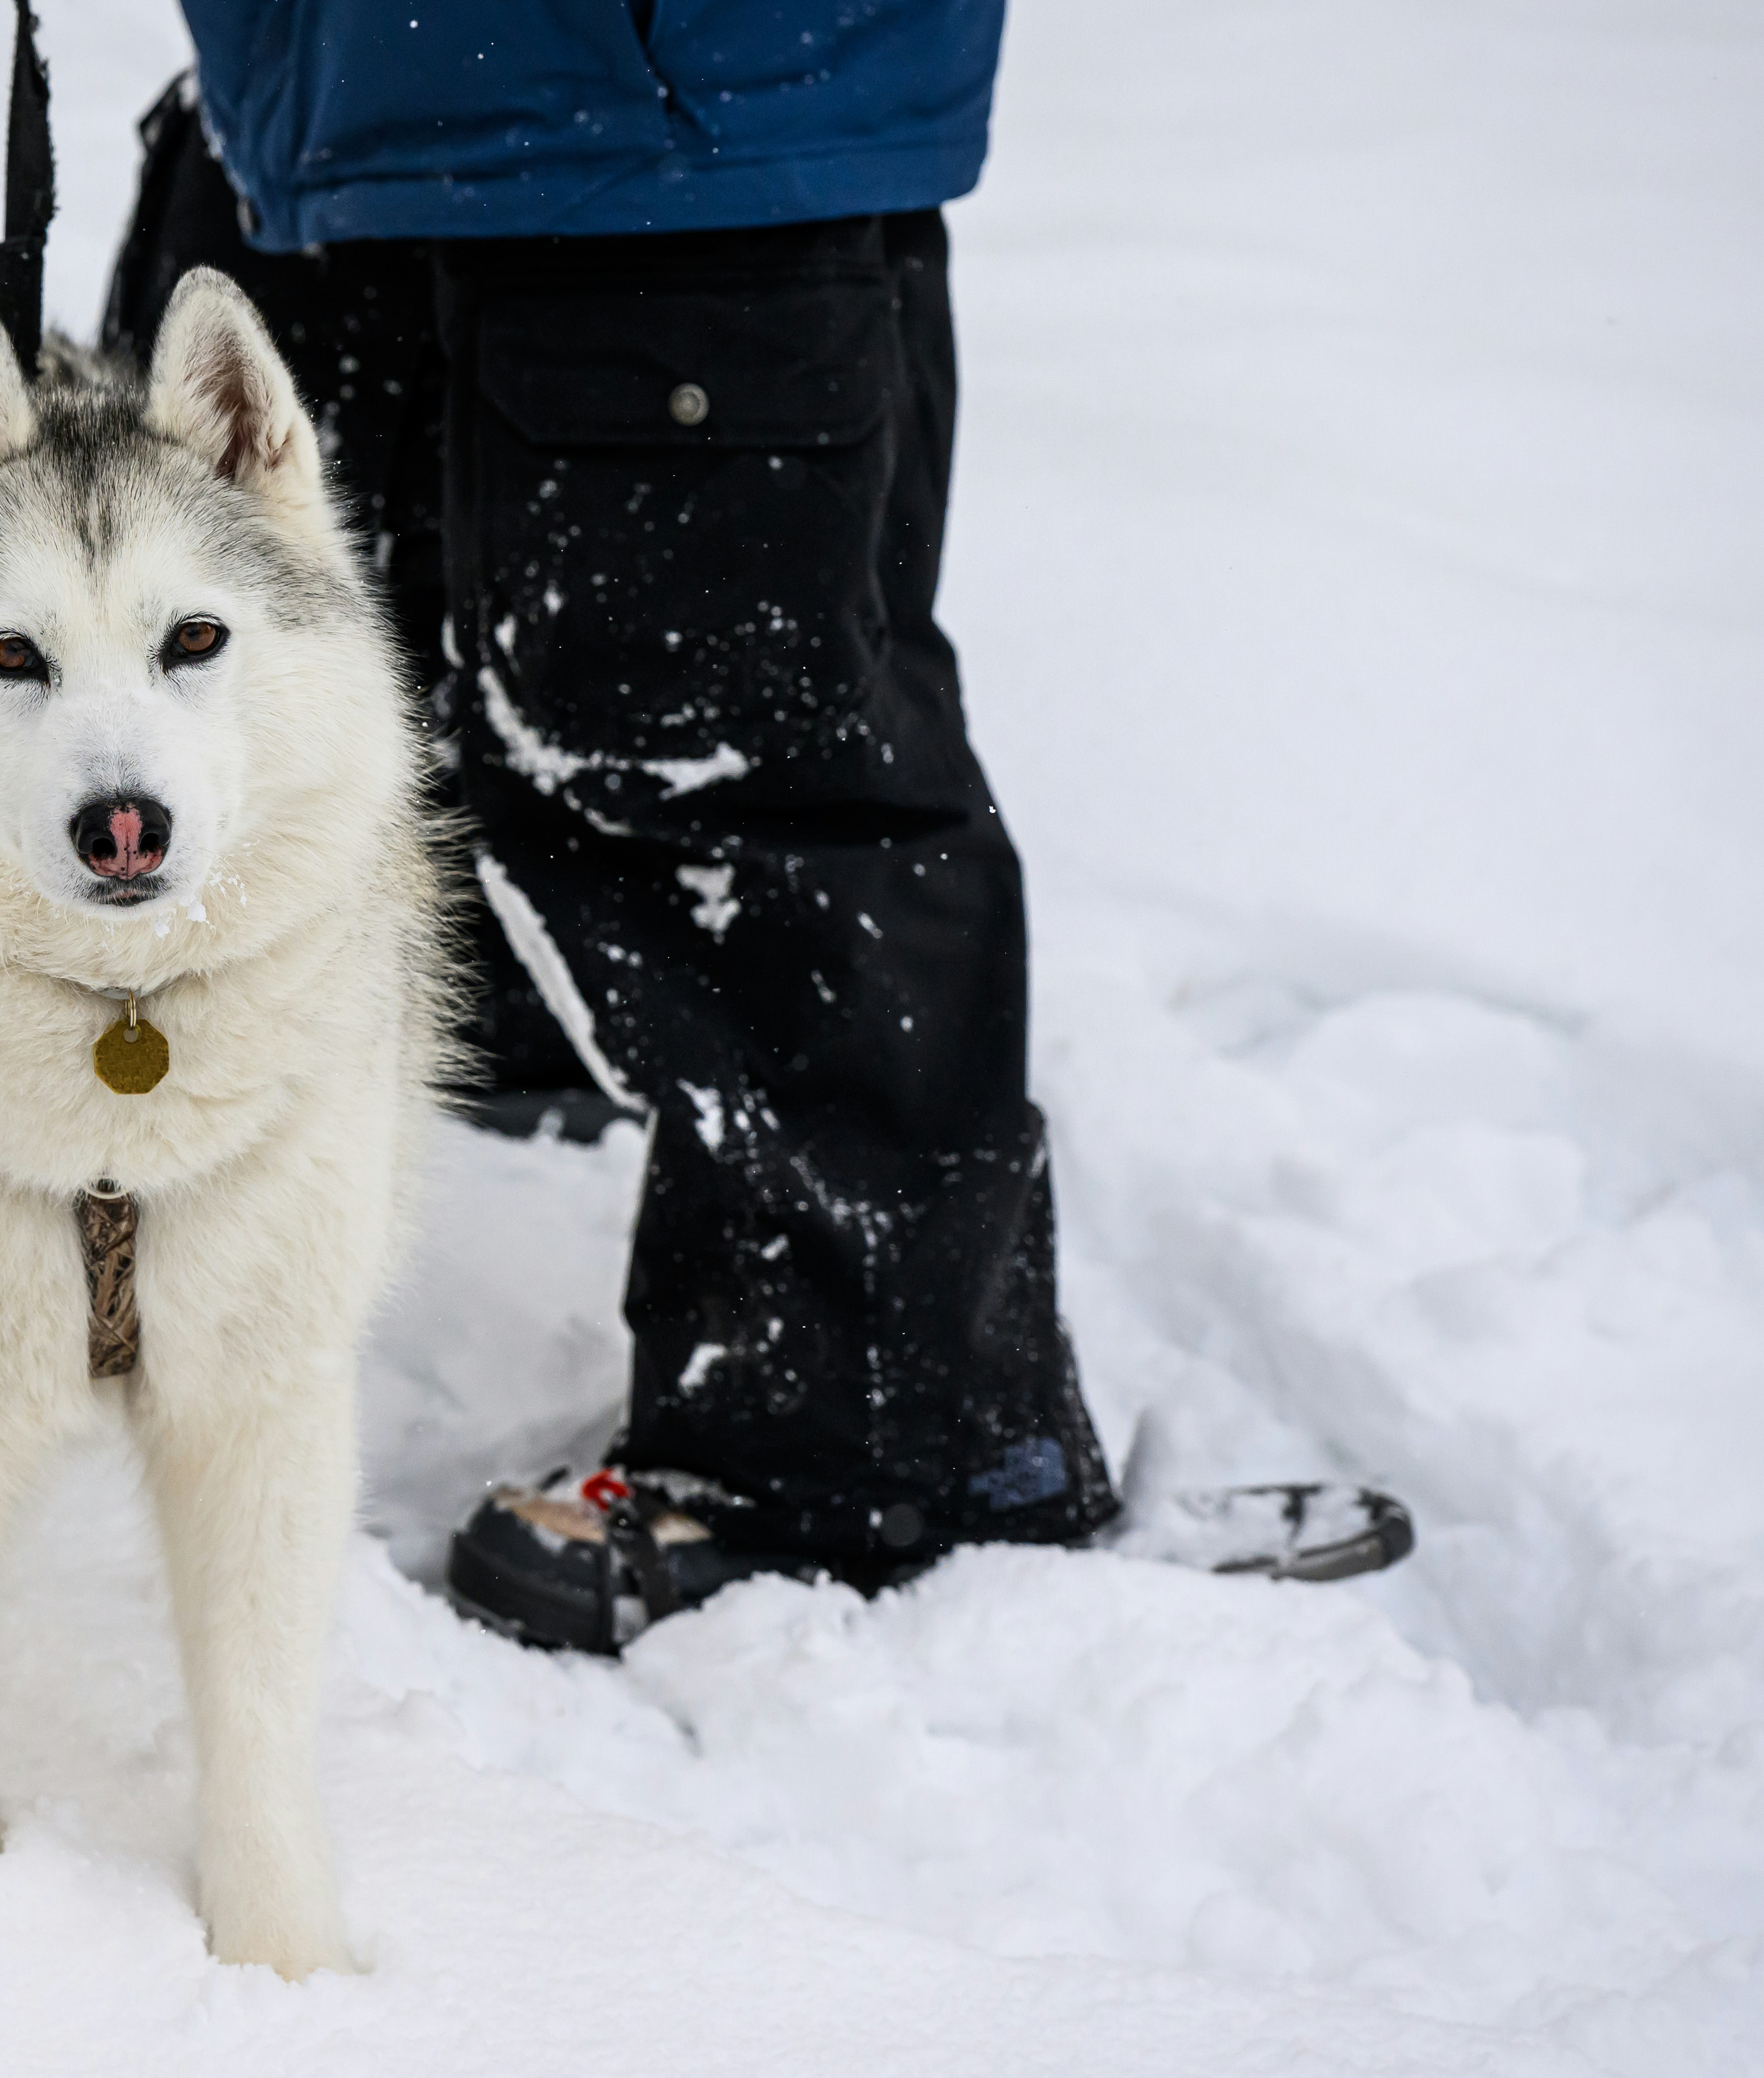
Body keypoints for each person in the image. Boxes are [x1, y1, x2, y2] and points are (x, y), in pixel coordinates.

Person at [97, 2, 1114, 1653]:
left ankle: (859, 1456)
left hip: (664, 124)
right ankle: (510, 1048)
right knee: (315, 675)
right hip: (352, 109)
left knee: (739, 792)